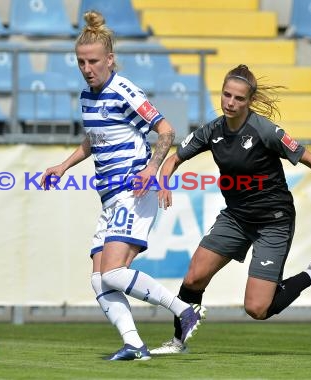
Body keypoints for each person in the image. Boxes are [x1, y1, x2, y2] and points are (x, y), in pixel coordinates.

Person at [150, 64, 311, 355]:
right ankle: (178, 342)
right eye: (226, 95)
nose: (230, 102)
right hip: (236, 217)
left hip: (273, 221)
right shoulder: (212, 130)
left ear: (249, 101)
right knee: (194, 277)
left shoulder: (264, 130)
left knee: (257, 308)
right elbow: (175, 158)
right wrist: (164, 180)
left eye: (238, 98)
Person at [39, 10, 205, 361]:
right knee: (99, 281)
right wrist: (64, 165)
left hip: (133, 191)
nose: (87, 68)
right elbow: (94, 139)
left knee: (114, 272)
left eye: (94, 61)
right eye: (81, 61)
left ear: (110, 59)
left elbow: (166, 130)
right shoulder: (87, 96)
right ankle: (134, 344)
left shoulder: (124, 89)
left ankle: (184, 310)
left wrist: (152, 167)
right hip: (109, 198)